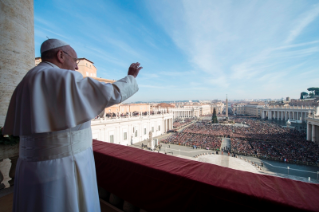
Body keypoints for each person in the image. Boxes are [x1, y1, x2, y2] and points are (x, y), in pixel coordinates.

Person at [2, 39, 142, 212]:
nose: (76, 67)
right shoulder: (61, 77)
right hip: (63, 166)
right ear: (61, 55)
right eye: (75, 61)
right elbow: (108, 94)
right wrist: (130, 77)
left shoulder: (26, 80)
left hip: (30, 167)